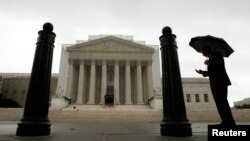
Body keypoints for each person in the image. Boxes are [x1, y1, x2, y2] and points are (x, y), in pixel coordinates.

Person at [195, 46, 236, 126]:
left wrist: (209, 63)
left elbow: (217, 67)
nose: (203, 55)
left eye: (203, 52)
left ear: (207, 50)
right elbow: (212, 71)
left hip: (219, 82)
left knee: (222, 103)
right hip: (216, 83)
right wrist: (203, 72)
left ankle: (229, 122)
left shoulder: (216, 54)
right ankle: (226, 121)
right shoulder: (212, 57)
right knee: (220, 103)